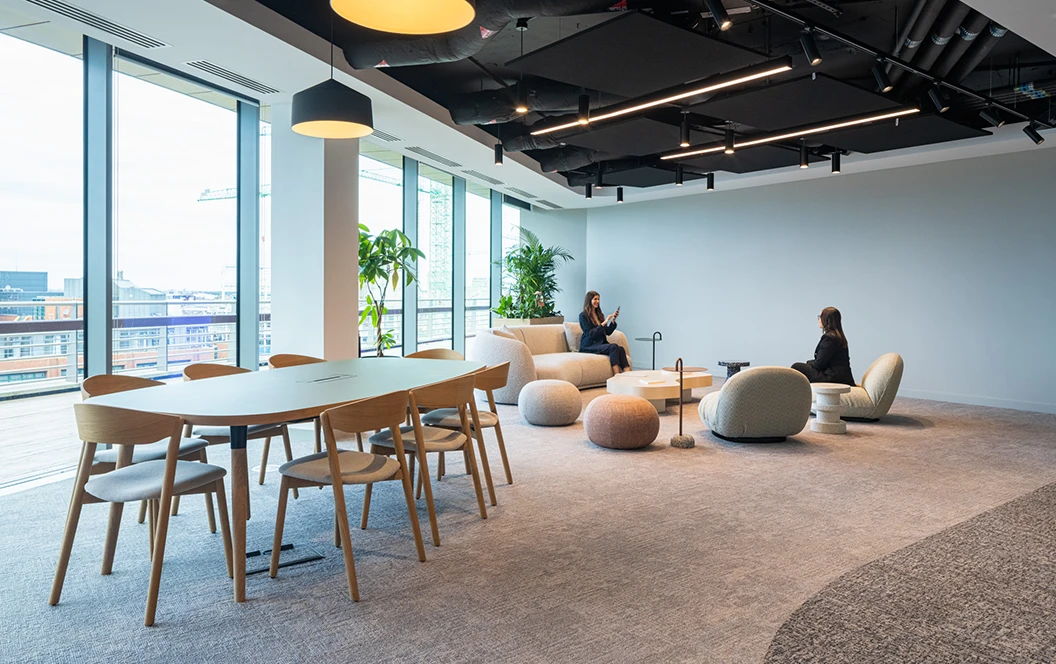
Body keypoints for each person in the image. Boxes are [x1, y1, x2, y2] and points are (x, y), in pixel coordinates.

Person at [792, 307, 855, 386]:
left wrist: (808, 362)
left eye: (820, 317)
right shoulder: (839, 337)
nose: (819, 319)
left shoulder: (829, 339)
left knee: (797, 367)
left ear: (826, 320)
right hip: (841, 377)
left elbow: (819, 364)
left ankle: (795, 396)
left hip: (833, 378)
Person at [579, 290, 630, 374]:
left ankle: (627, 374)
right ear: (589, 300)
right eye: (595, 299)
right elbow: (590, 334)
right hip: (589, 345)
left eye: (598, 299)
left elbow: (607, 332)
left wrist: (613, 320)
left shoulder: (599, 314)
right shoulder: (583, 316)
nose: (597, 301)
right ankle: (616, 376)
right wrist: (604, 322)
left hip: (600, 343)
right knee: (613, 347)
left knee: (620, 349)